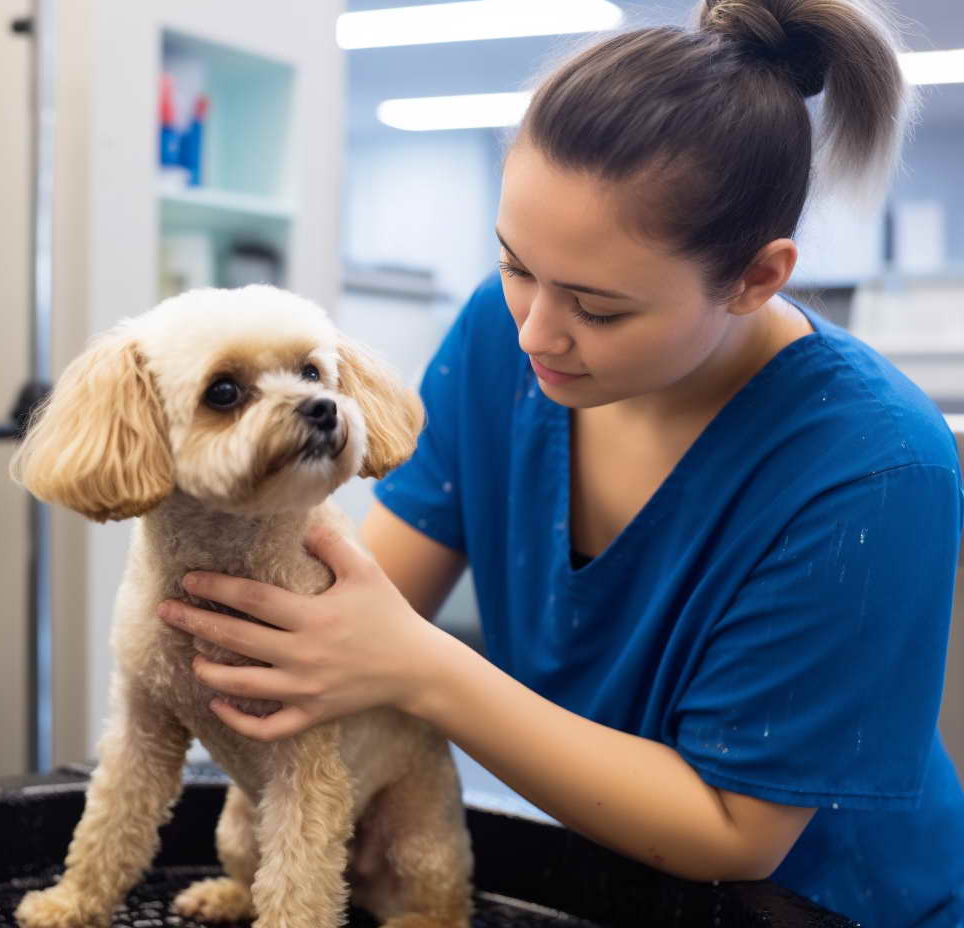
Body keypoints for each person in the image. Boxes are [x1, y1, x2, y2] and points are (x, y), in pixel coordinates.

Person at [156, 0, 964, 923]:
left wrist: (421, 669)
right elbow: (357, 604)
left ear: (755, 278)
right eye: (514, 265)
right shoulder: (499, 342)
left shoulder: (872, 468)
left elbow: (734, 832)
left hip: (818, 906)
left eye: (599, 308)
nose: (537, 333)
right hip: (603, 876)